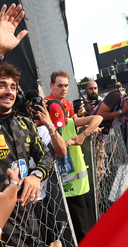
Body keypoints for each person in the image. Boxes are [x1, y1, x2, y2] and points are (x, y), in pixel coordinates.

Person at [0, 4, 54, 246]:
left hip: (32, 223)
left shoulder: (25, 123)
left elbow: (47, 155)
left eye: (13, 87)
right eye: (1, 85)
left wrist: (37, 176)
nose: (9, 91)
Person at [41, 99, 103, 242]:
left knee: (85, 228)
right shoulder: (43, 131)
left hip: (77, 188)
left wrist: (83, 134)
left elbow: (98, 118)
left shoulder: (69, 123)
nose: (58, 126)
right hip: (59, 191)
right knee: (71, 231)